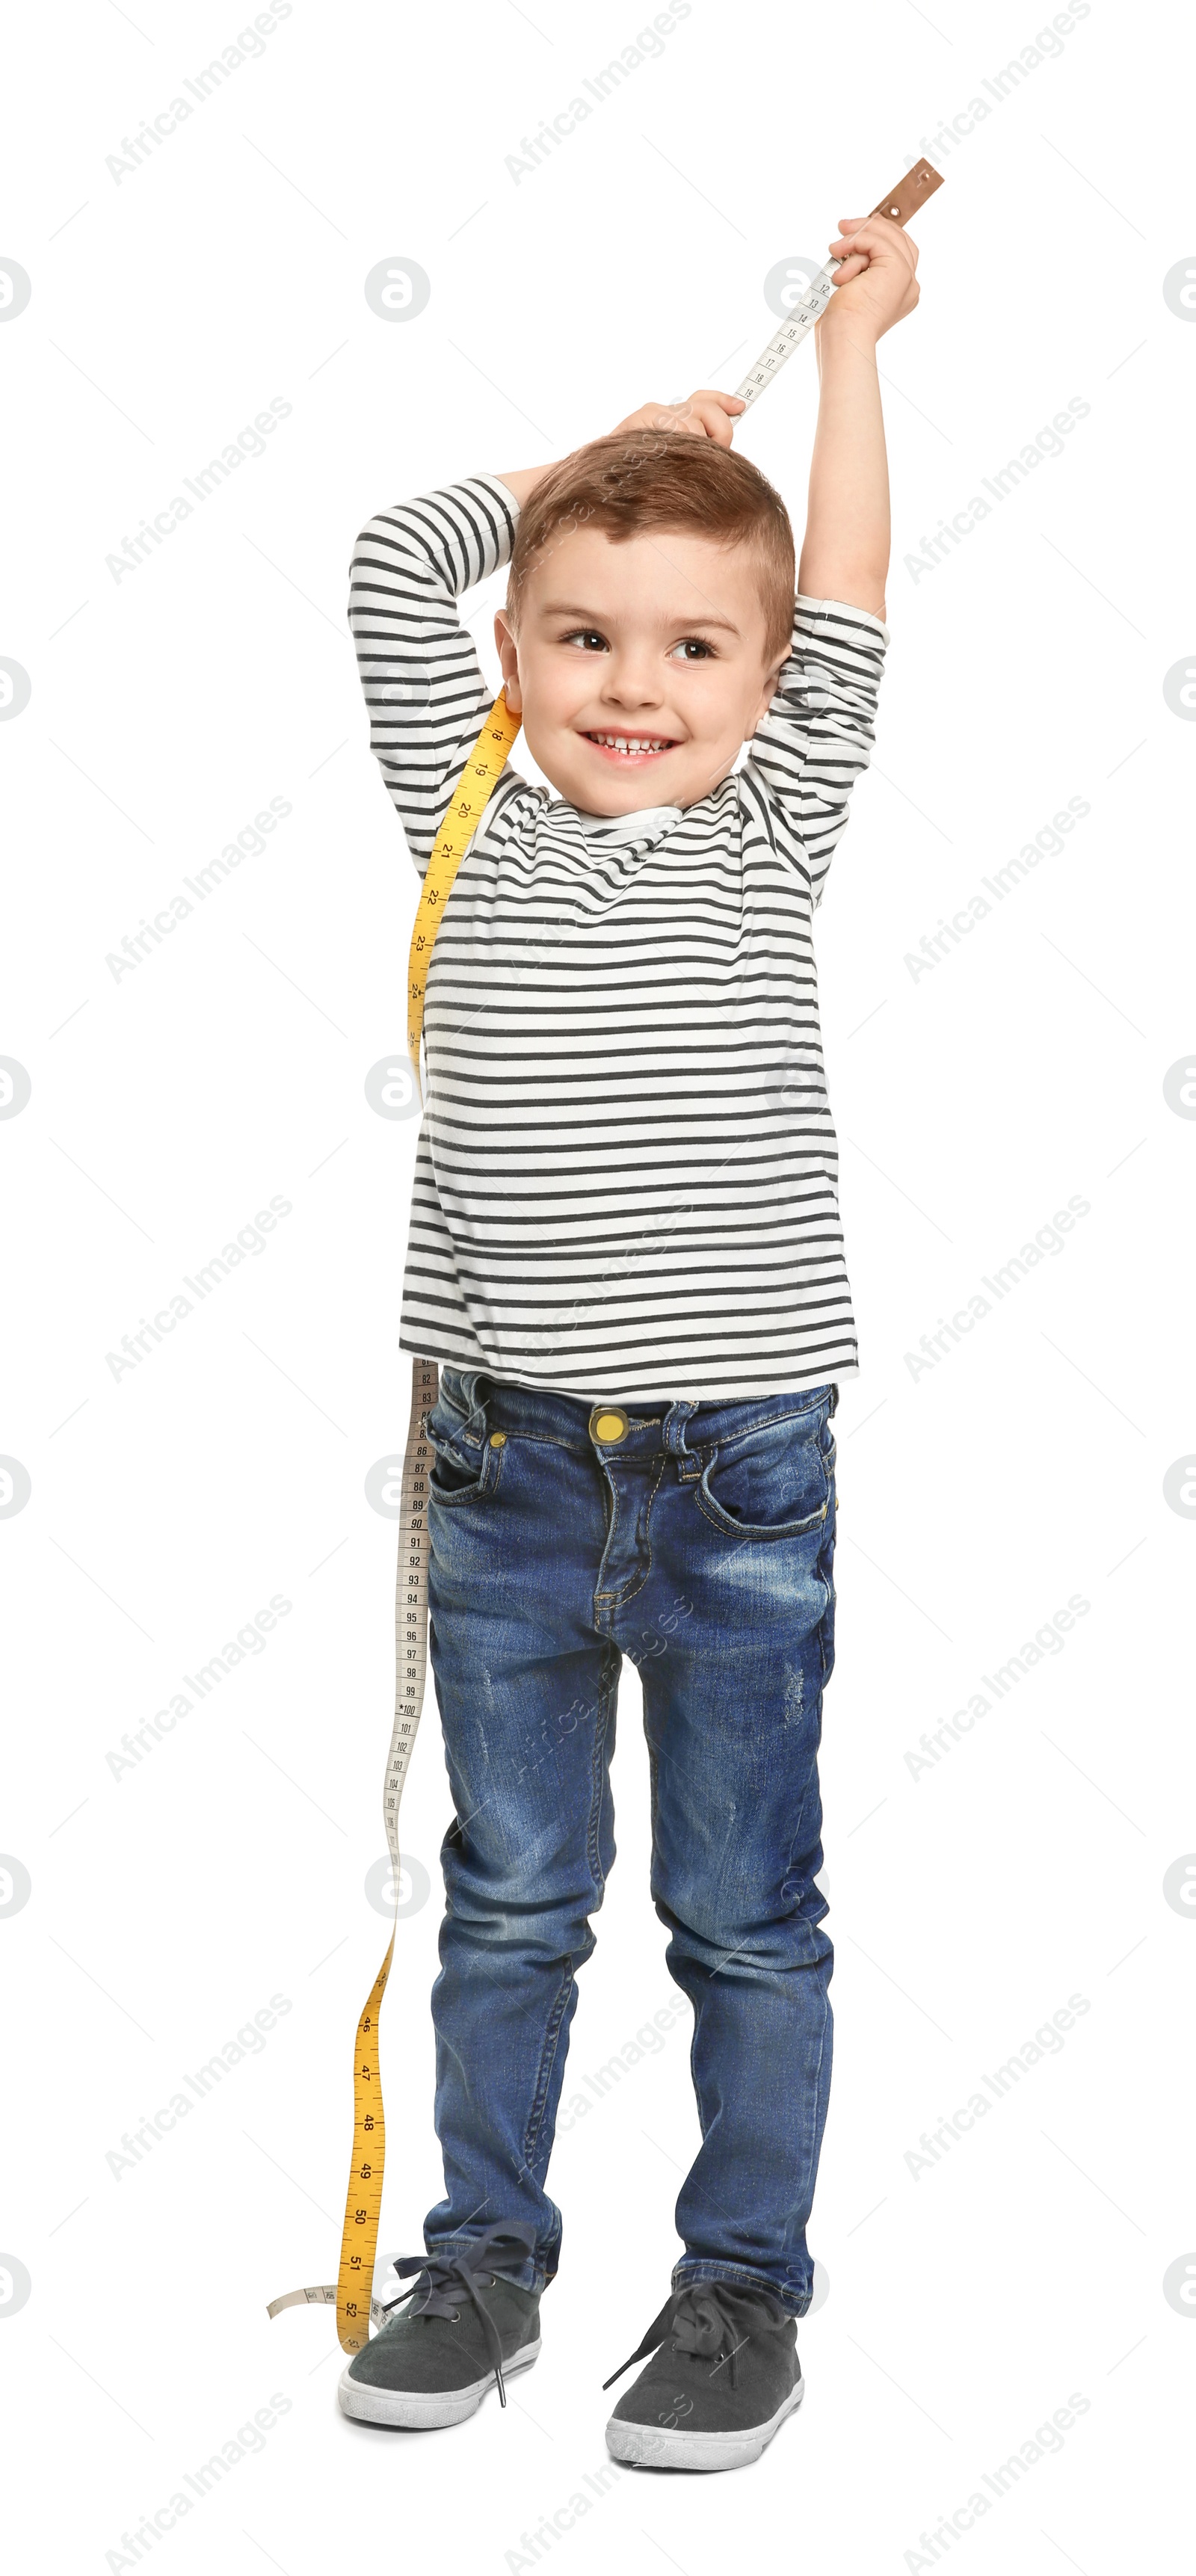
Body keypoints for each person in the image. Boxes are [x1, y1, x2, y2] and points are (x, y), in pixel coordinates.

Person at [338, 208, 921, 2470]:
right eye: (579, 634)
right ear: (513, 657)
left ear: (765, 685)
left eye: (692, 644)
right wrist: (600, 449)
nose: (630, 682)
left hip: (739, 1465)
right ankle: (481, 2263)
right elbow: (395, 556)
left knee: (745, 1914)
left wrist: (851, 350)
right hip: (503, 1461)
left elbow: (853, 585)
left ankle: (741, 2292)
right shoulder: (460, 816)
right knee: (508, 1897)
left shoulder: (773, 823)